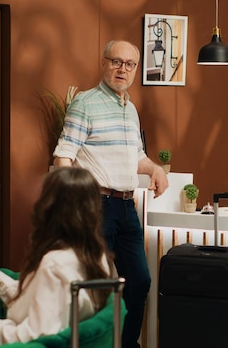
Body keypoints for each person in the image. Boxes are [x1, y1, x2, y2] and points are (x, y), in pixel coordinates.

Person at [52, 39, 169, 348]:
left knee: (139, 282)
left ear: (136, 70)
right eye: (117, 61)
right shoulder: (85, 103)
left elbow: (137, 157)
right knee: (96, 287)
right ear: (103, 63)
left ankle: (125, 344)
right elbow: (63, 156)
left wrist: (155, 169)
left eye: (130, 64)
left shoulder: (130, 110)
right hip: (95, 207)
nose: (123, 69)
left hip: (126, 208)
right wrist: (71, 204)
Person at [0, 167, 114, 347]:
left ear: (49, 207)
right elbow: (49, 302)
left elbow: (30, 340)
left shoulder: (55, 264)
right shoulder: (96, 256)